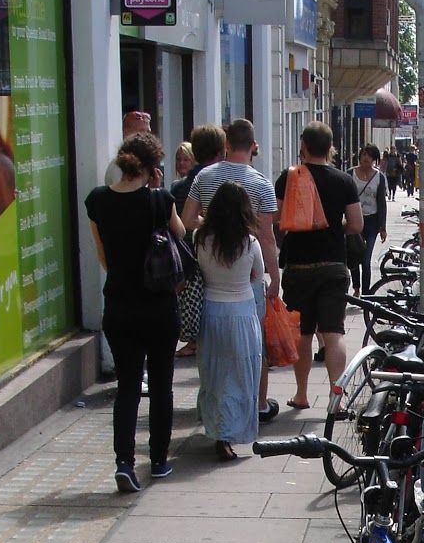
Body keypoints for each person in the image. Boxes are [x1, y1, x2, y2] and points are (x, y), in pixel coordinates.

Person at [85, 131, 185, 493]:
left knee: (128, 386)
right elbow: (181, 233)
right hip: (159, 306)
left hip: (120, 306)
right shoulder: (161, 200)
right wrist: (159, 194)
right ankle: (158, 460)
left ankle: (124, 462)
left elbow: (103, 257)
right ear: (154, 167)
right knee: (161, 384)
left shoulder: (97, 201)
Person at [182, 117, 282, 423]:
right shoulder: (262, 184)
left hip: (210, 275)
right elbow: (266, 235)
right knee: (253, 349)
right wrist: (274, 278)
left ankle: (214, 409)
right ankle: (258, 404)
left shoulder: (204, 177)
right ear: (253, 146)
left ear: (226, 145)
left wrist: (210, 228)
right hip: (247, 277)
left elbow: (186, 221)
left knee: (213, 352)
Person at [272, 121, 363, 408]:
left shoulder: (289, 178)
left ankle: (301, 394)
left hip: (299, 266)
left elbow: (276, 218)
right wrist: (335, 228)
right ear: (330, 147)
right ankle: (337, 397)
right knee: (333, 333)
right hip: (334, 264)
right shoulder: (344, 181)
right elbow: (357, 224)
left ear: (303, 146)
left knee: (303, 333)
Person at [194, 182, 265, 461]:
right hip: (241, 312)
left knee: (214, 374)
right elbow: (258, 276)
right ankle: (230, 431)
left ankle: (217, 430)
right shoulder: (250, 242)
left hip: (210, 311)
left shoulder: (200, 237)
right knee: (240, 373)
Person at [350, 141, 387, 296]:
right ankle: (356, 288)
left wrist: (383, 227)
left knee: (366, 259)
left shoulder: (379, 177)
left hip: (371, 222)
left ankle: (365, 293)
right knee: (353, 257)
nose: (366, 158)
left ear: (375, 159)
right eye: (364, 155)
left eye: (369, 156)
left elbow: (381, 203)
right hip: (353, 220)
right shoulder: (350, 174)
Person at [104, 110, 153, 185]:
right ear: (126, 133)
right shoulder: (119, 167)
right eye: (141, 131)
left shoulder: (146, 163)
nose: (146, 136)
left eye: (148, 132)